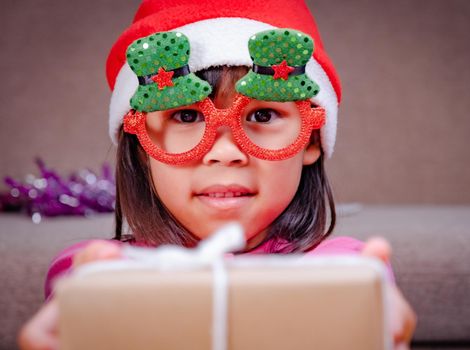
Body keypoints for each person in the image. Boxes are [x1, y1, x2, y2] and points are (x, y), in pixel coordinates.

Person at [19, 0, 416, 349]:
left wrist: (372, 314)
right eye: (187, 115)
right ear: (141, 148)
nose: (225, 153)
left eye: (262, 115)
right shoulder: (95, 272)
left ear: (310, 140)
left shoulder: (347, 270)